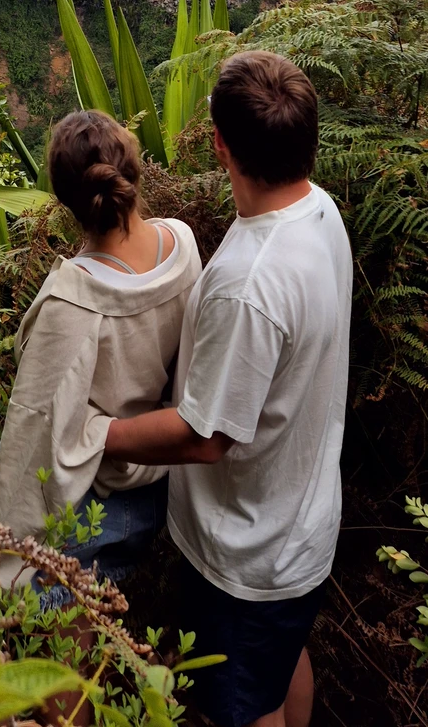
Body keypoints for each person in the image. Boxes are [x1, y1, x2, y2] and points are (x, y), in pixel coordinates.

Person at [104, 51, 352, 727]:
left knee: (240, 709)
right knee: (279, 665)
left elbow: (204, 435)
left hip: (246, 552)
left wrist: (95, 434)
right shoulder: (319, 213)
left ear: (218, 144)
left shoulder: (251, 282)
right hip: (298, 523)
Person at [0, 109, 201, 593]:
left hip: (103, 502)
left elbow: (31, 431)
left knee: (50, 598)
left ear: (66, 202)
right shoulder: (182, 243)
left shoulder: (71, 301)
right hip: (163, 482)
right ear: (131, 172)